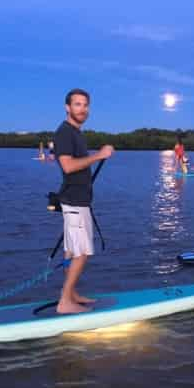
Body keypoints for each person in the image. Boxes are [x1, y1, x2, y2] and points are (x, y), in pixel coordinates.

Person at [54, 88, 114, 313]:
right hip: (74, 202)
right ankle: (65, 303)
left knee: (71, 251)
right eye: (77, 104)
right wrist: (98, 155)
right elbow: (68, 166)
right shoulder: (65, 133)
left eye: (85, 105)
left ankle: (71, 293)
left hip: (78, 201)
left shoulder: (76, 132)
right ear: (67, 107)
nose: (83, 109)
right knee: (81, 253)